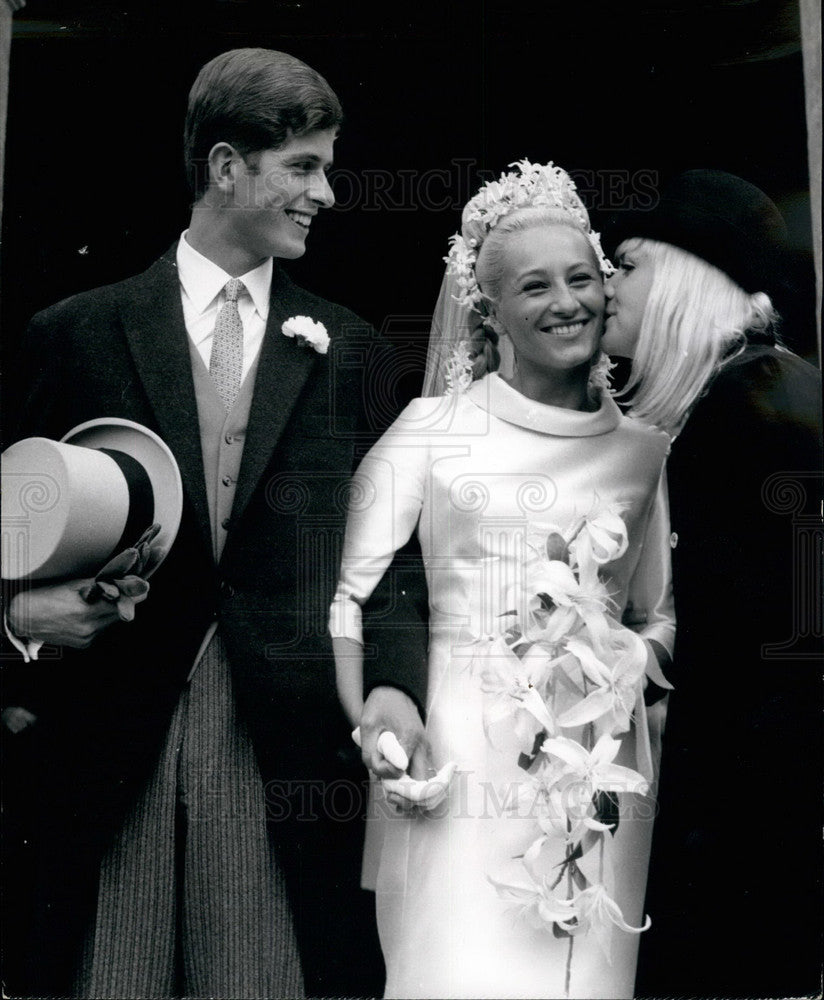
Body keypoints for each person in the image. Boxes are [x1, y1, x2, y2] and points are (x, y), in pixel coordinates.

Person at [1, 47, 423, 998]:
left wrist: (396, 685)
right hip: (107, 732)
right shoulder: (75, 333)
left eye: (327, 166)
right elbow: (6, 532)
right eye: (303, 167)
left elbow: (394, 556)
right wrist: (20, 622)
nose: (326, 192)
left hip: (284, 738)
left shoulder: (350, 345)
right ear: (227, 166)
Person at [330, 161, 676, 999]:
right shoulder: (434, 428)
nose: (568, 302)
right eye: (535, 286)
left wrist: (634, 657)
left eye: (583, 279)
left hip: (600, 760)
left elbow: (659, 611)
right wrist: (375, 726)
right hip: (461, 754)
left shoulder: (644, 450)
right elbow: (351, 598)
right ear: (490, 312)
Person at [601, 168, 823, 998]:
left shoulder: (756, 405)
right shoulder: (750, 389)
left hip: (763, 808)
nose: (607, 285)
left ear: (684, 278)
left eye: (628, 263)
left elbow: (782, 650)